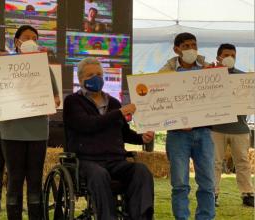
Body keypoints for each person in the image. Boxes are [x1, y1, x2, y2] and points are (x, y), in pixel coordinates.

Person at [63, 57, 155, 220]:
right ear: (80, 78)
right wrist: (119, 113)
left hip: (115, 160)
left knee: (141, 171)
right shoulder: (72, 102)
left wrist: (142, 138)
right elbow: (87, 124)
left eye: (99, 74)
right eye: (90, 74)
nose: (96, 77)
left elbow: (124, 133)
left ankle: (140, 217)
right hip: (86, 161)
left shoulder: (114, 103)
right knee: (99, 175)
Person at [0, 25, 60, 220]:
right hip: (11, 131)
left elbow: (57, 99)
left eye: (35, 37)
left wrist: (45, 103)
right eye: (27, 37)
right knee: (15, 180)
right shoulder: (2, 65)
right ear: (17, 42)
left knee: (35, 180)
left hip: (38, 131)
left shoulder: (44, 68)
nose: (31, 41)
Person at [159, 32, 215, 220]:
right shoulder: (165, 73)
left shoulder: (209, 70)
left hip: (204, 132)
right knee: (180, 184)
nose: (191, 49)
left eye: (194, 45)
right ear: (176, 49)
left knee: (208, 183)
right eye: (186, 46)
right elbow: (158, 100)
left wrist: (219, 74)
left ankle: (206, 217)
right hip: (177, 134)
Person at [211, 43, 254, 207]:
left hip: (240, 128)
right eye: (226, 55)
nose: (230, 58)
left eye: (233, 56)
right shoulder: (209, 78)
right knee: (214, 162)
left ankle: (248, 194)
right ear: (218, 57)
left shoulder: (244, 78)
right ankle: (212, 194)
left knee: (243, 162)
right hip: (216, 129)